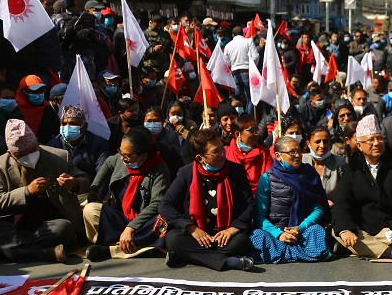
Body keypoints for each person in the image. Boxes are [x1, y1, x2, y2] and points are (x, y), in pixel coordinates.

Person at [0, 120, 89, 263]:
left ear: (37, 143)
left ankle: (6, 250)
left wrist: (74, 183)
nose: (28, 156)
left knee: (63, 228)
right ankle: (44, 252)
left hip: (50, 220)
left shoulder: (59, 156)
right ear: (10, 154)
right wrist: (27, 191)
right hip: (16, 221)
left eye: (31, 150)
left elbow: (84, 180)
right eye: (21, 154)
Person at [159, 129, 255, 271]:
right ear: (200, 158)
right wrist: (192, 228)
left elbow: (249, 205)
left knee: (241, 242)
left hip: (225, 235)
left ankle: (187, 256)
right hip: (196, 235)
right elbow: (165, 205)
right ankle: (228, 262)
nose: (222, 154)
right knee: (173, 239)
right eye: (216, 151)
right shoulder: (186, 173)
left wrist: (232, 230)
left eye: (222, 148)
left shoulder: (235, 170)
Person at [332, 116, 392, 263]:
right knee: (338, 231)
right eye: (371, 140)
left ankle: (357, 247)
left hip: (391, 225)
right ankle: (390, 252)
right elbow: (342, 201)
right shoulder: (350, 169)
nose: (376, 143)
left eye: (379, 138)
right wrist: (346, 230)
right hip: (362, 226)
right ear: (359, 145)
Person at [84, 127, 170, 262]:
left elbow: (156, 203)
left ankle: (113, 250)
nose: (122, 158)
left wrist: (131, 227)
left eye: (128, 155)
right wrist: (94, 189)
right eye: (121, 152)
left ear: (143, 156)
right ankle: (142, 248)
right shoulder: (121, 160)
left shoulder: (160, 170)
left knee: (164, 222)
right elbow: (108, 164)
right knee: (90, 210)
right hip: (121, 215)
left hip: (144, 221)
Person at [250, 135, 331, 264]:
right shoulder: (267, 178)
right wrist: (278, 234)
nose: (297, 155)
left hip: (302, 231)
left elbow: (318, 207)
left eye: (299, 151)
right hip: (276, 232)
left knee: (317, 230)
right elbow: (260, 215)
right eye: (292, 152)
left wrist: (300, 228)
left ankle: (283, 254)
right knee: (257, 235)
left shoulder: (309, 174)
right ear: (278, 156)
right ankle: (303, 253)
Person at [46, 105, 110, 178]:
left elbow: (102, 173)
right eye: (64, 124)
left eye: (73, 124)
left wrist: (90, 186)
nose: (67, 127)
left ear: (84, 126)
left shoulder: (99, 144)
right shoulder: (52, 146)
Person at [225, 114, 272, 196]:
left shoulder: (264, 154)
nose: (257, 134)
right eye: (252, 130)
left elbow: (269, 180)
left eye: (257, 130)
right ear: (237, 134)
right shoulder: (226, 153)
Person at [302, 127, 344, 201]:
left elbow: (344, 191)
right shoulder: (301, 161)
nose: (322, 145)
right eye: (318, 142)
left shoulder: (339, 162)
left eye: (325, 141)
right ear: (308, 143)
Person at [15, 75, 59, 143]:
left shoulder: (46, 107)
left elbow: (57, 129)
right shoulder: (16, 109)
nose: (38, 94)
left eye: (41, 91)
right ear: (23, 92)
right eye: (34, 91)